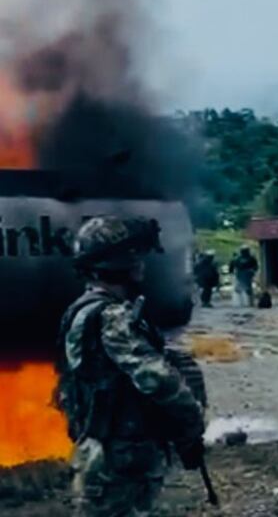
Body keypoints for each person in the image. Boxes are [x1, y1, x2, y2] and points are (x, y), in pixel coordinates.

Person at [55, 216, 206, 517]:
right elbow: (157, 380)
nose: (141, 262)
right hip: (119, 458)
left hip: (102, 450)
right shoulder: (111, 317)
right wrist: (191, 425)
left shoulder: (83, 309)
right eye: (134, 255)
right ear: (120, 263)